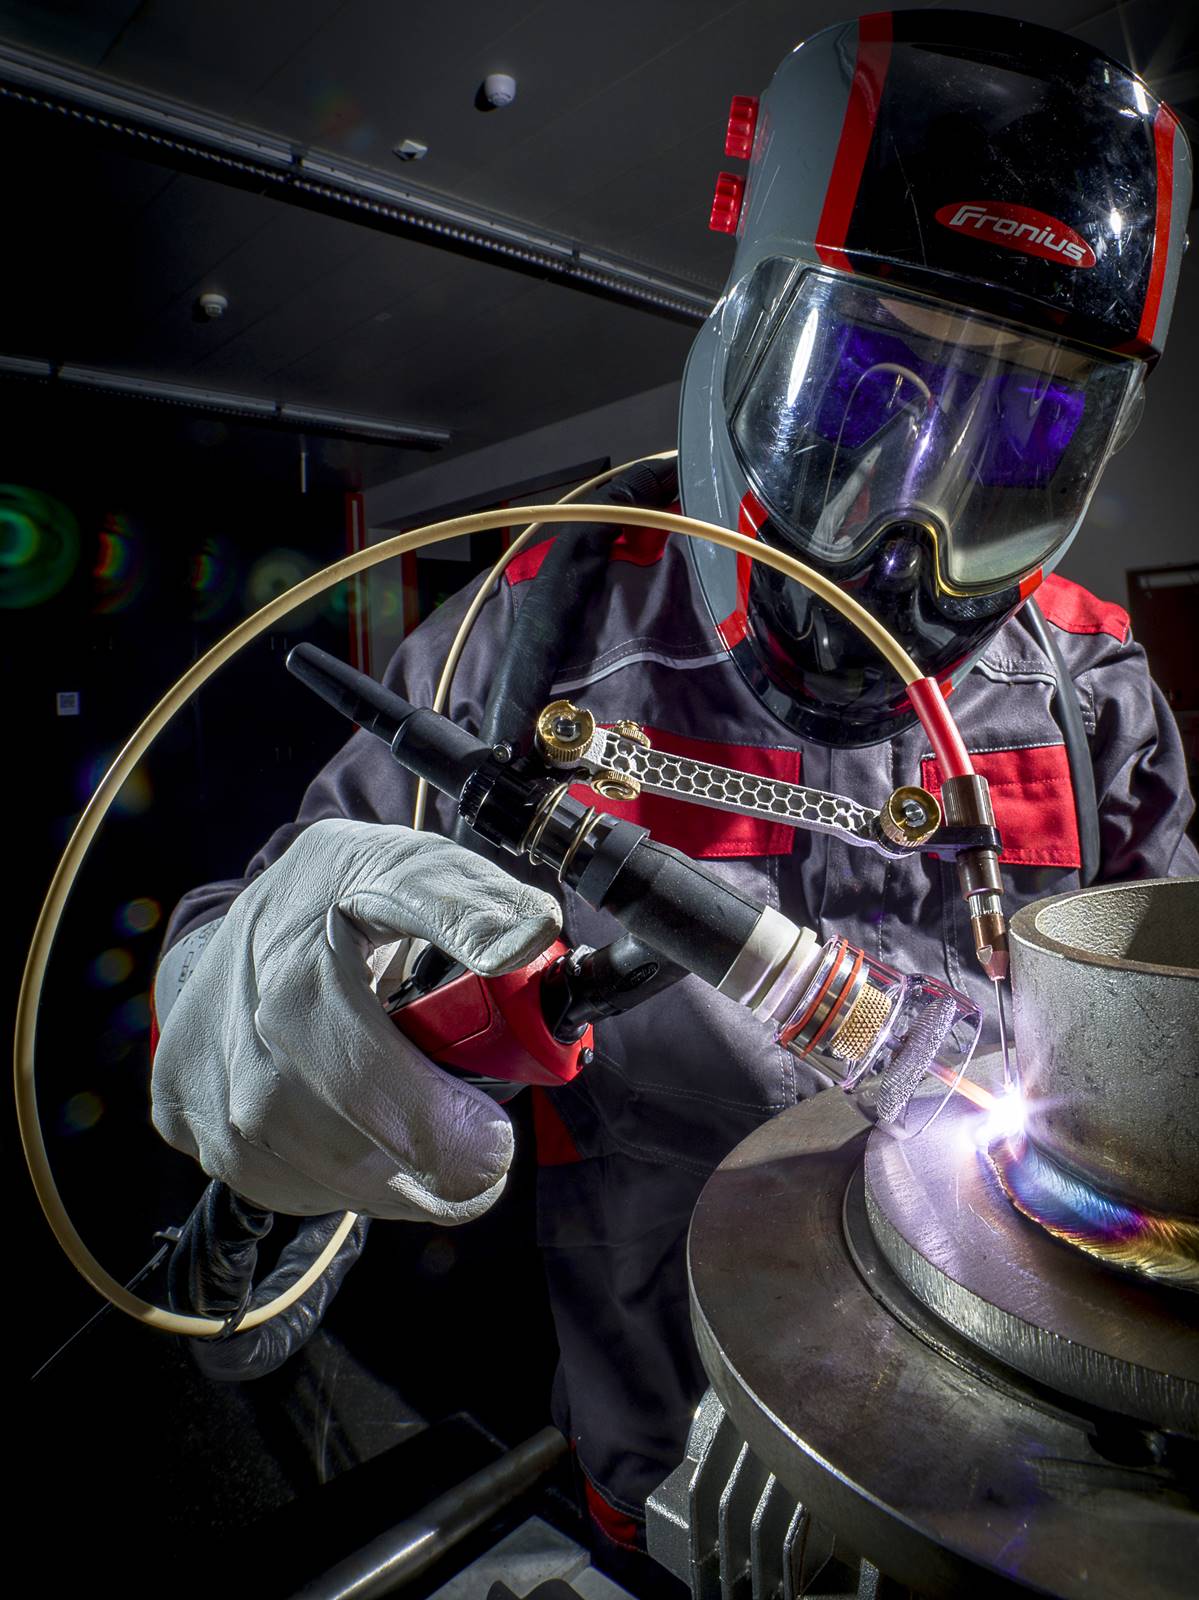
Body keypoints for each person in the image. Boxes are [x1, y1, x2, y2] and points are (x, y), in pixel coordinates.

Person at [151, 9, 1196, 1562]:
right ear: (749, 344)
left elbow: (1169, 1088)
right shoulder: (541, 635)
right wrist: (249, 1010)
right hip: (654, 1497)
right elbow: (265, 953)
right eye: (871, 392)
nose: (912, 536)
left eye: (1033, 428)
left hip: (1008, 1530)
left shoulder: (1092, 696)